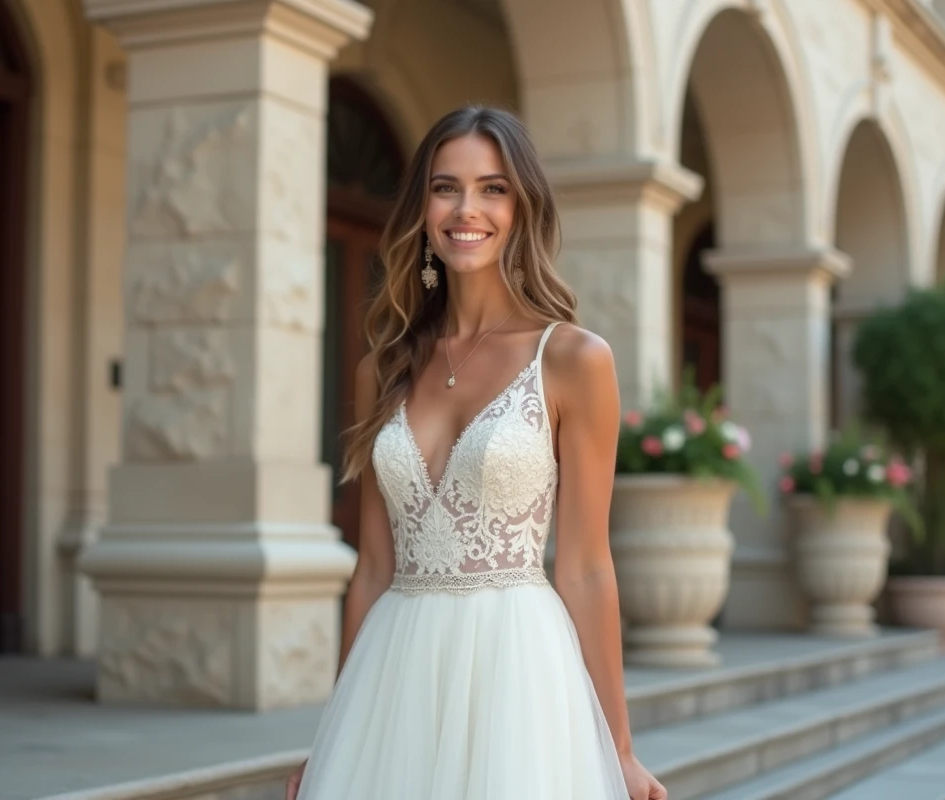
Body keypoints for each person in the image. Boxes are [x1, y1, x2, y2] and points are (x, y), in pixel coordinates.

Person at [285, 106, 666, 800]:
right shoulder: (385, 368)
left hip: (515, 672)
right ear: (422, 207)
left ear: (522, 207)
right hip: (393, 676)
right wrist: (335, 737)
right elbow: (372, 569)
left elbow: (584, 566)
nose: (468, 209)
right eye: (445, 187)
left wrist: (618, 749)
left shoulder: (574, 358)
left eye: (493, 188)